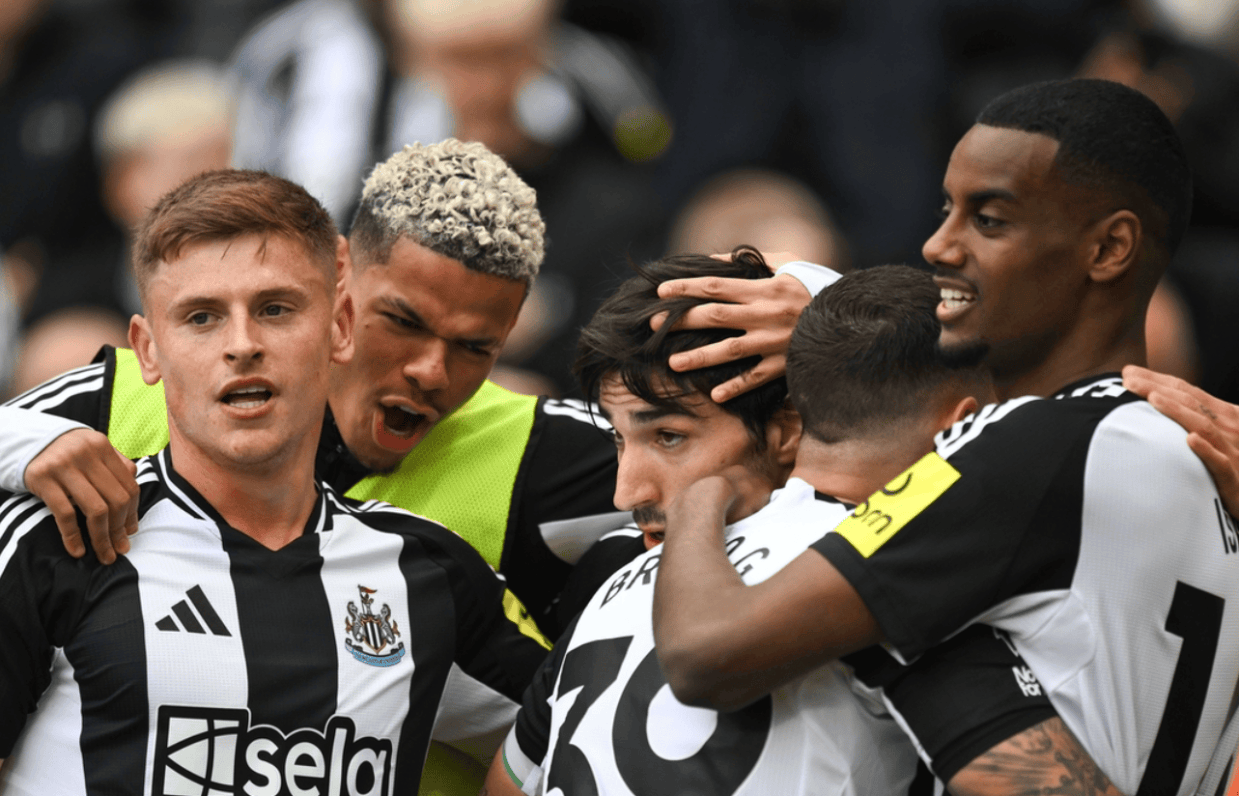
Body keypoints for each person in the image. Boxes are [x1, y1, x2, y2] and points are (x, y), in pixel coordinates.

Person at [650, 78, 1239, 796]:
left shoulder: (1029, 447)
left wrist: (700, 497)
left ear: (1109, 247)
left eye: (988, 220)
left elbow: (709, 653)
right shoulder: (1189, 458)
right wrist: (831, 311)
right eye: (945, 210)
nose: (938, 244)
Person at [483, 257, 1124, 796]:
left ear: (788, 429)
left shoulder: (616, 594)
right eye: (619, 441)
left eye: (669, 437)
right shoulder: (870, 580)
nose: (627, 492)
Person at [0, 169, 548, 793]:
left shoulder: (431, 573)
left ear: (340, 326)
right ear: (148, 350)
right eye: (202, 317)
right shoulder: (57, 540)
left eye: (276, 309)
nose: (243, 345)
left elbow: (583, 726)